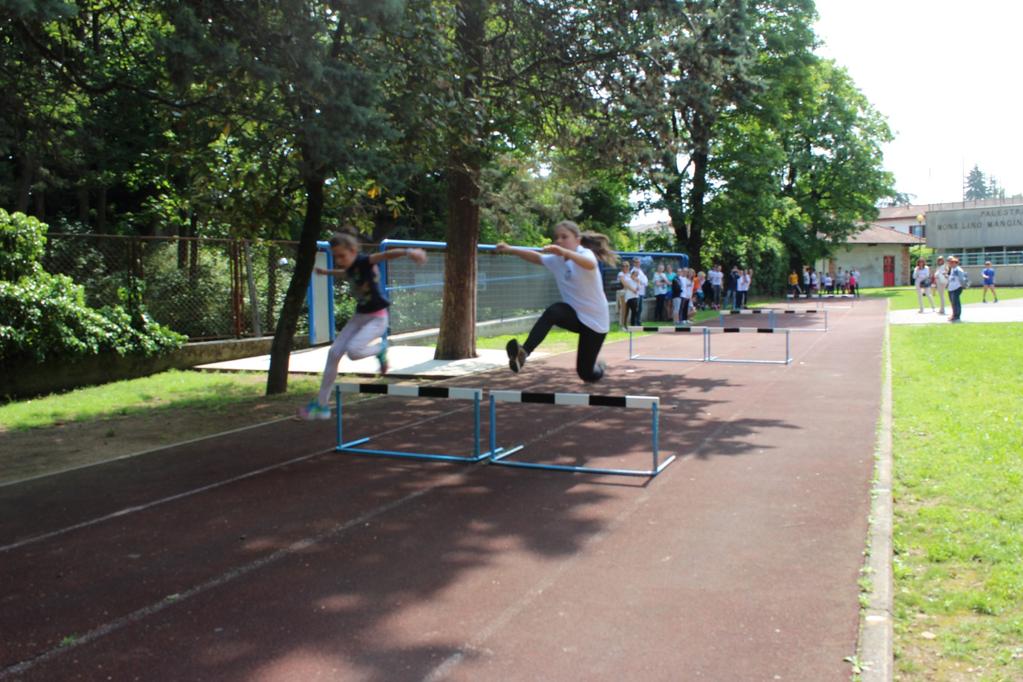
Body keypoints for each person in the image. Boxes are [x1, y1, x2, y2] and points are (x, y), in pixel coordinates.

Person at [298, 229, 428, 420]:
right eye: (336, 257)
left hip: (377, 318)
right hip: (359, 317)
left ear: (353, 251)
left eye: (342, 255)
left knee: (353, 352)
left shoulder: (365, 261)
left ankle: (381, 348)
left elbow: (385, 254)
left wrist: (409, 252)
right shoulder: (350, 267)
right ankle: (322, 406)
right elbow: (344, 272)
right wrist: (326, 272)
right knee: (333, 353)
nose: (339, 260)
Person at [498, 220, 616, 383]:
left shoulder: (585, 254)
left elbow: (590, 264)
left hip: (596, 322)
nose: (559, 241)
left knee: (585, 374)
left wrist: (564, 252)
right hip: (575, 316)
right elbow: (537, 257)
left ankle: (600, 369)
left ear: (577, 239)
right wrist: (511, 249)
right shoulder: (556, 260)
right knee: (555, 310)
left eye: (564, 237)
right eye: (557, 238)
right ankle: (523, 353)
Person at [617, 259, 639, 328]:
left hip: (629, 295)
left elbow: (636, 281)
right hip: (622, 293)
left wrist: (637, 283)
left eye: (627, 266)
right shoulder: (621, 274)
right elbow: (625, 284)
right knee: (623, 310)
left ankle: (626, 325)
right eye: (623, 266)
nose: (625, 267)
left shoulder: (630, 274)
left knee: (627, 311)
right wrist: (633, 290)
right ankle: (622, 326)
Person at [946, 256, 968, 323]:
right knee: (953, 303)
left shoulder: (958, 270)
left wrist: (963, 286)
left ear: (956, 263)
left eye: (952, 263)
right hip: (951, 288)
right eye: (950, 263)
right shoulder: (952, 269)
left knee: (956, 303)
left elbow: (962, 279)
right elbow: (952, 278)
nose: (950, 264)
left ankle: (957, 316)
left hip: (956, 288)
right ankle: (954, 315)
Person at [630, 258, 649, 322]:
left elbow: (645, 279)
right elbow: (636, 279)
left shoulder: (640, 270)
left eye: (639, 262)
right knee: (636, 307)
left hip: (642, 291)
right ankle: (635, 321)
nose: (638, 263)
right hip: (636, 292)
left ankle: (638, 320)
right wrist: (642, 281)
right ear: (634, 263)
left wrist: (644, 282)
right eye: (636, 262)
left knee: (640, 308)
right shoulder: (633, 271)